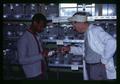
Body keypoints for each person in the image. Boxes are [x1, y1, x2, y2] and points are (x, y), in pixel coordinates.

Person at [61, 12, 116, 80]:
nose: (74, 28)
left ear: (80, 22)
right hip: (90, 66)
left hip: (97, 66)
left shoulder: (95, 30)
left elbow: (112, 42)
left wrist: (104, 60)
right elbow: (86, 50)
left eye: (74, 25)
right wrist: (70, 49)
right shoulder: (87, 32)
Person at [17, 13, 48, 80]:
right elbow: (21, 60)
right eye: (41, 26)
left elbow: (37, 52)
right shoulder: (24, 39)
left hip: (42, 71)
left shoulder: (36, 35)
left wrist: (45, 52)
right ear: (34, 23)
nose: (42, 29)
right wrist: (41, 56)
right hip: (33, 75)